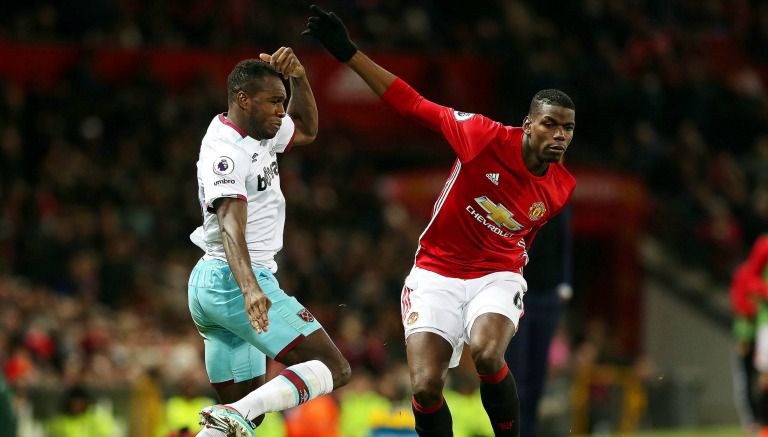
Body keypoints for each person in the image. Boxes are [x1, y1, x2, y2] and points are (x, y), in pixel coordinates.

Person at [304, 6, 576, 436]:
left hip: (497, 275)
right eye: (550, 125)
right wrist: (349, 53)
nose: (559, 136)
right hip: (436, 271)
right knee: (427, 388)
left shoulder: (561, 188)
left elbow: (524, 239)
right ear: (527, 125)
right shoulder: (482, 135)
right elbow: (412, 104)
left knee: (488, 356)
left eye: (567, 128)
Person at [187, 47, 351, 436]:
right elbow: (229, 223)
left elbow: (308, 129)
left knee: (245, 415)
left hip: (214, 284)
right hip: (233, 279)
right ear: (243, 100)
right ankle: (233, 414)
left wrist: (299, 77)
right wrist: (250, 289)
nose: (282, 111)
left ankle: (228, 419)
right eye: (274, 102)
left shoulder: (262, 132)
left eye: (283, 102)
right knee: (334, 368)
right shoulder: (225, 151)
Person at [504, 206, 572, 437]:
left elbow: (564, 243)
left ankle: (529, 431)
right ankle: (511, 431)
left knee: (537, 376)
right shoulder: (523, 191)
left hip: (547, 295)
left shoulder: (560, 197)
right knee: (516, 371)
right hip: (518, 294)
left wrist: (564, 282)